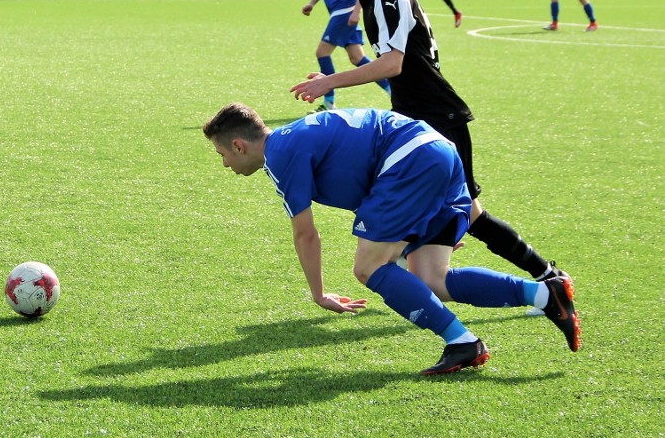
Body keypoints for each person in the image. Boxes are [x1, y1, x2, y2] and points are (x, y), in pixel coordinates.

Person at [289, 0, 572, 308]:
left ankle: (547, 278)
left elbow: (393, 64)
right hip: (419, 114)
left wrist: (327, 81)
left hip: (438, 117)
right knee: (430, 205)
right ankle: (425, 264)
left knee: (471, 214)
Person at [203, 103, 580, 375]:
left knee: (368, 268)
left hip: (408, 161)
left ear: (239, 145)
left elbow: (306, 235)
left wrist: (319, 294)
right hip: (436, 151)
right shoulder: (292, 138)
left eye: (222, 154)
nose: (224, 165)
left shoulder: (280, 155)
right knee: (431, 280)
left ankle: (462, 342)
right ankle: (547, 295)